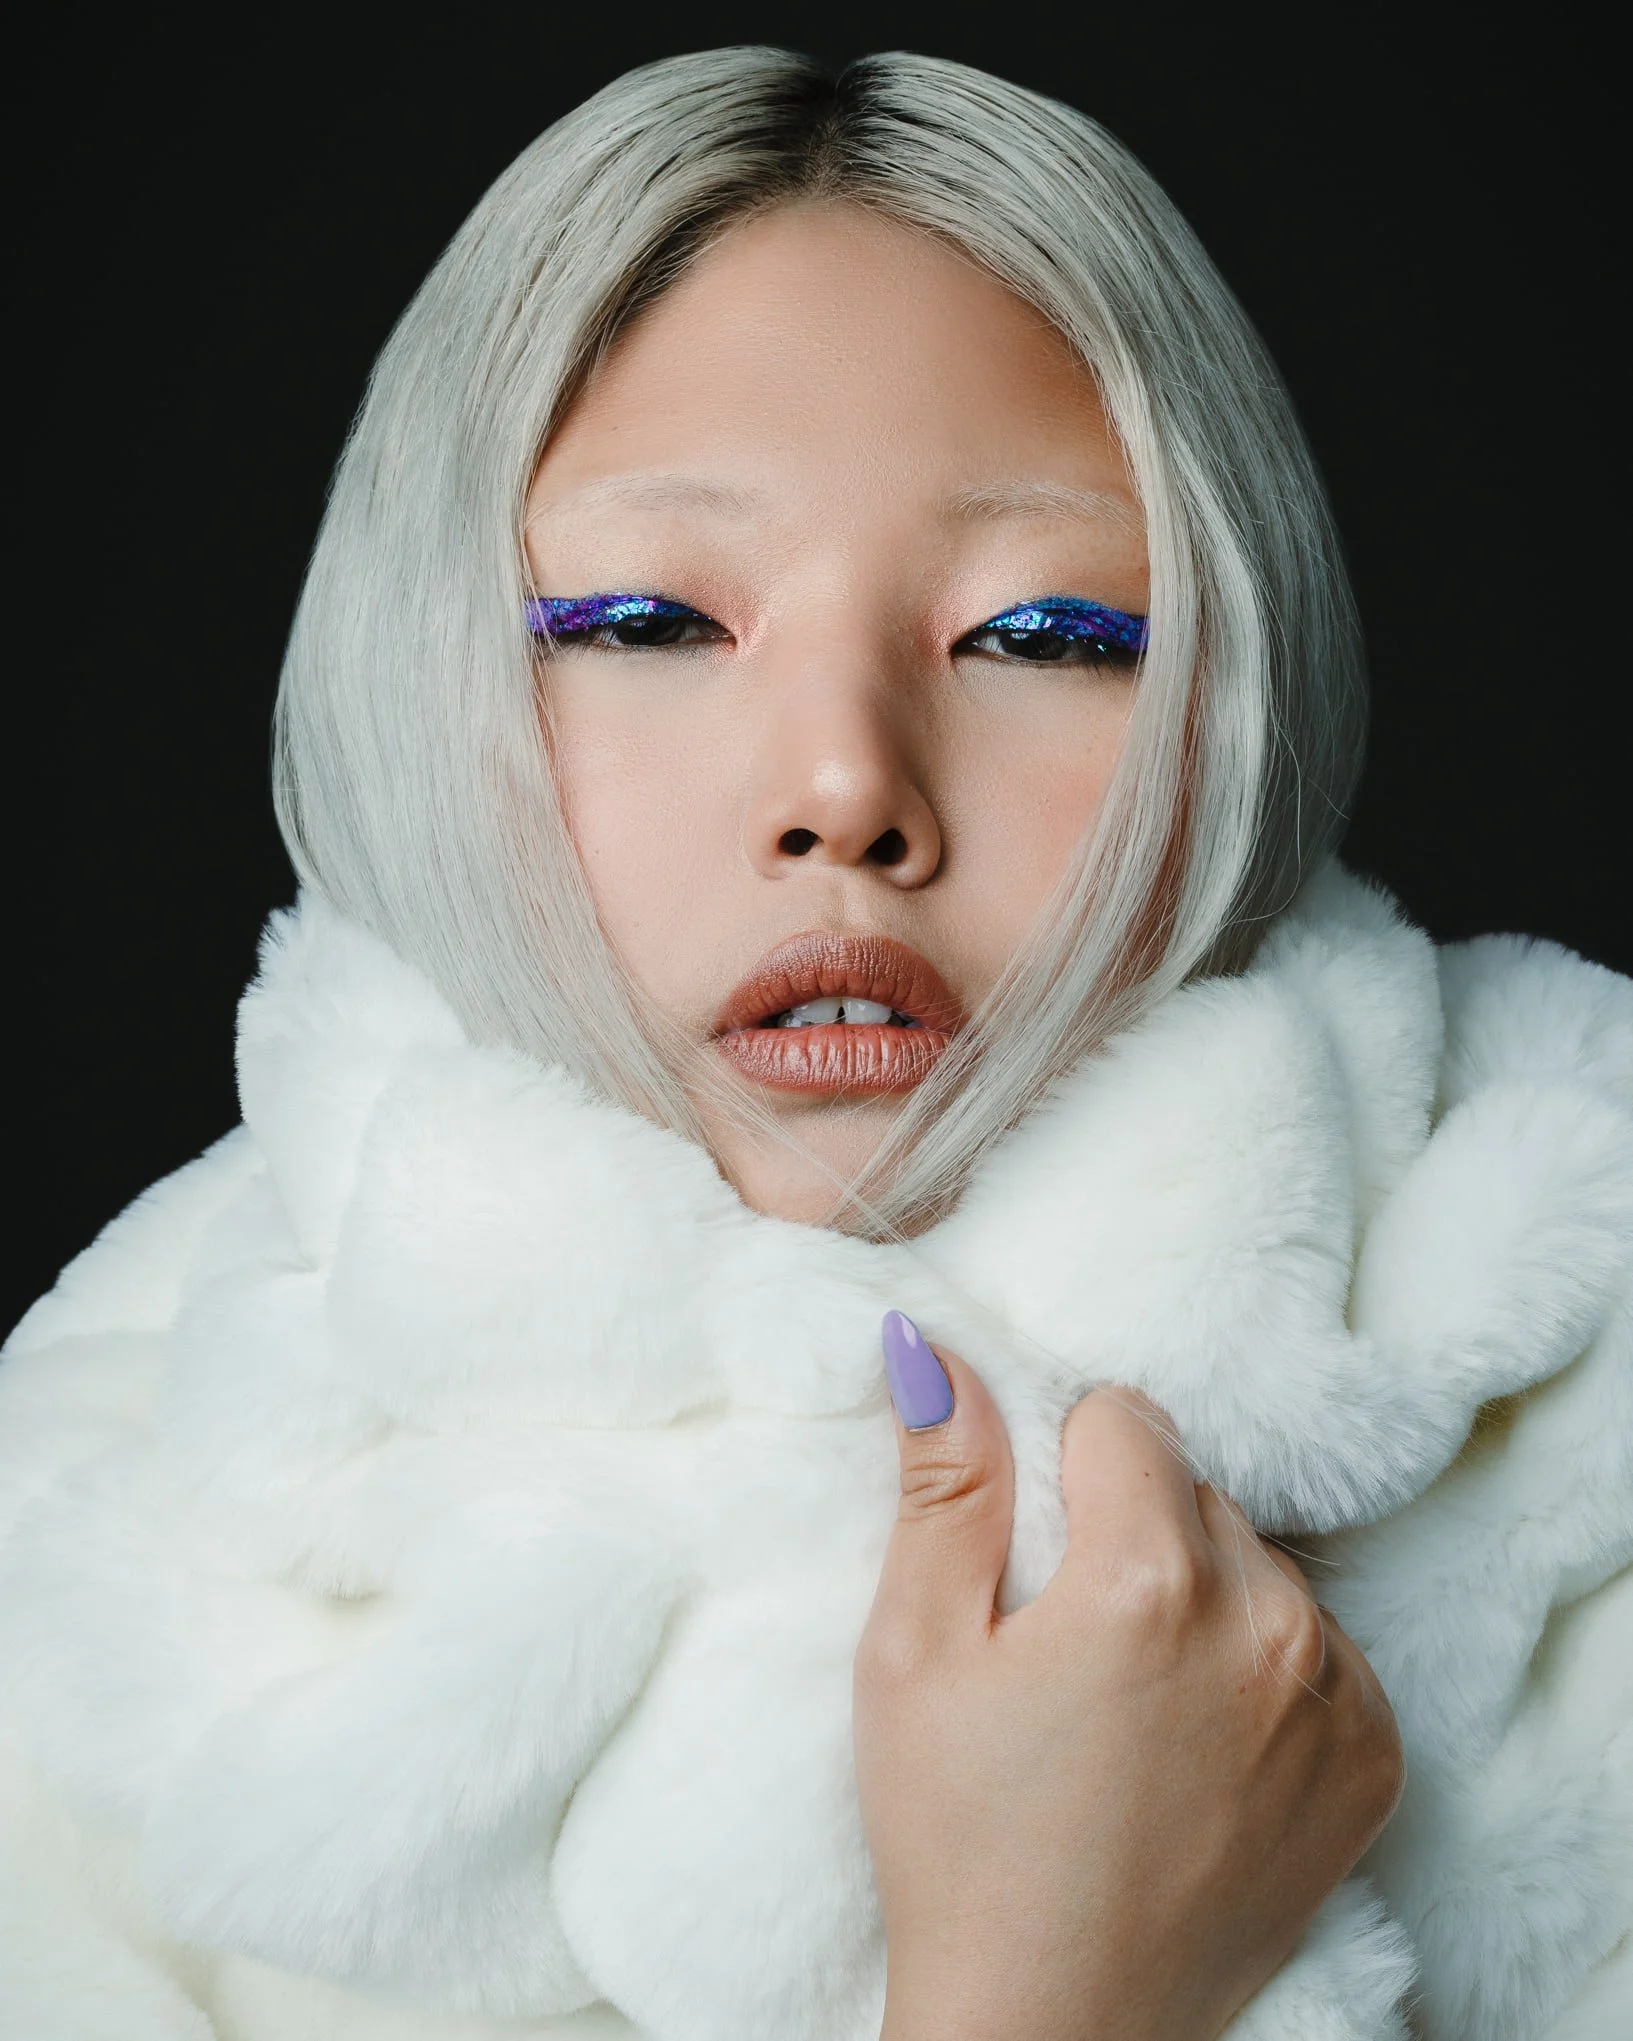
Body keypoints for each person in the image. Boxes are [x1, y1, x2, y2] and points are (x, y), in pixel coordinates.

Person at [1, 47, 1627, 2041]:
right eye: (651, 624)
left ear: (1235, 701)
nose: (850, 789)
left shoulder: (1591, 1408)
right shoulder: (73, 1539)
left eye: (1044, 637)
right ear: (415, 673)